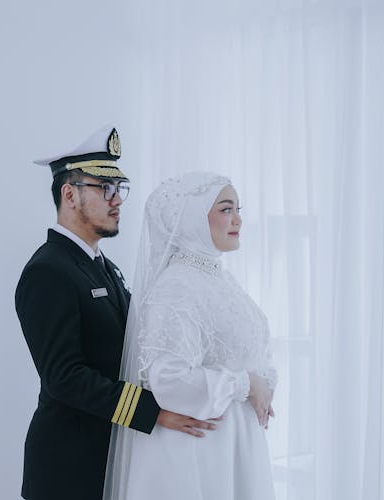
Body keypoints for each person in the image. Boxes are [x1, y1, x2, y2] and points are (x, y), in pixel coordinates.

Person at [16, 127, 216, 500]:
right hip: (68, 468)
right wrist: (152, 412)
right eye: (104, 187)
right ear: (70, 194)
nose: (117, 200)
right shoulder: (48, 271)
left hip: (108, 456)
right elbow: (65, 377)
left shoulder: (100, 266)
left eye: (119, 189)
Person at [104, 171, 277, 500]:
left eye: (239, 209)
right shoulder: (177, 287)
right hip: (199, 455)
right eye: (226, 209)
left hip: (236, 447)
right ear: (192, 218)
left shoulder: (221, 281)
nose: (237, 219)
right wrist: (246, 384)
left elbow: (251, 354)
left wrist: (264, 383)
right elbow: (168, 378)